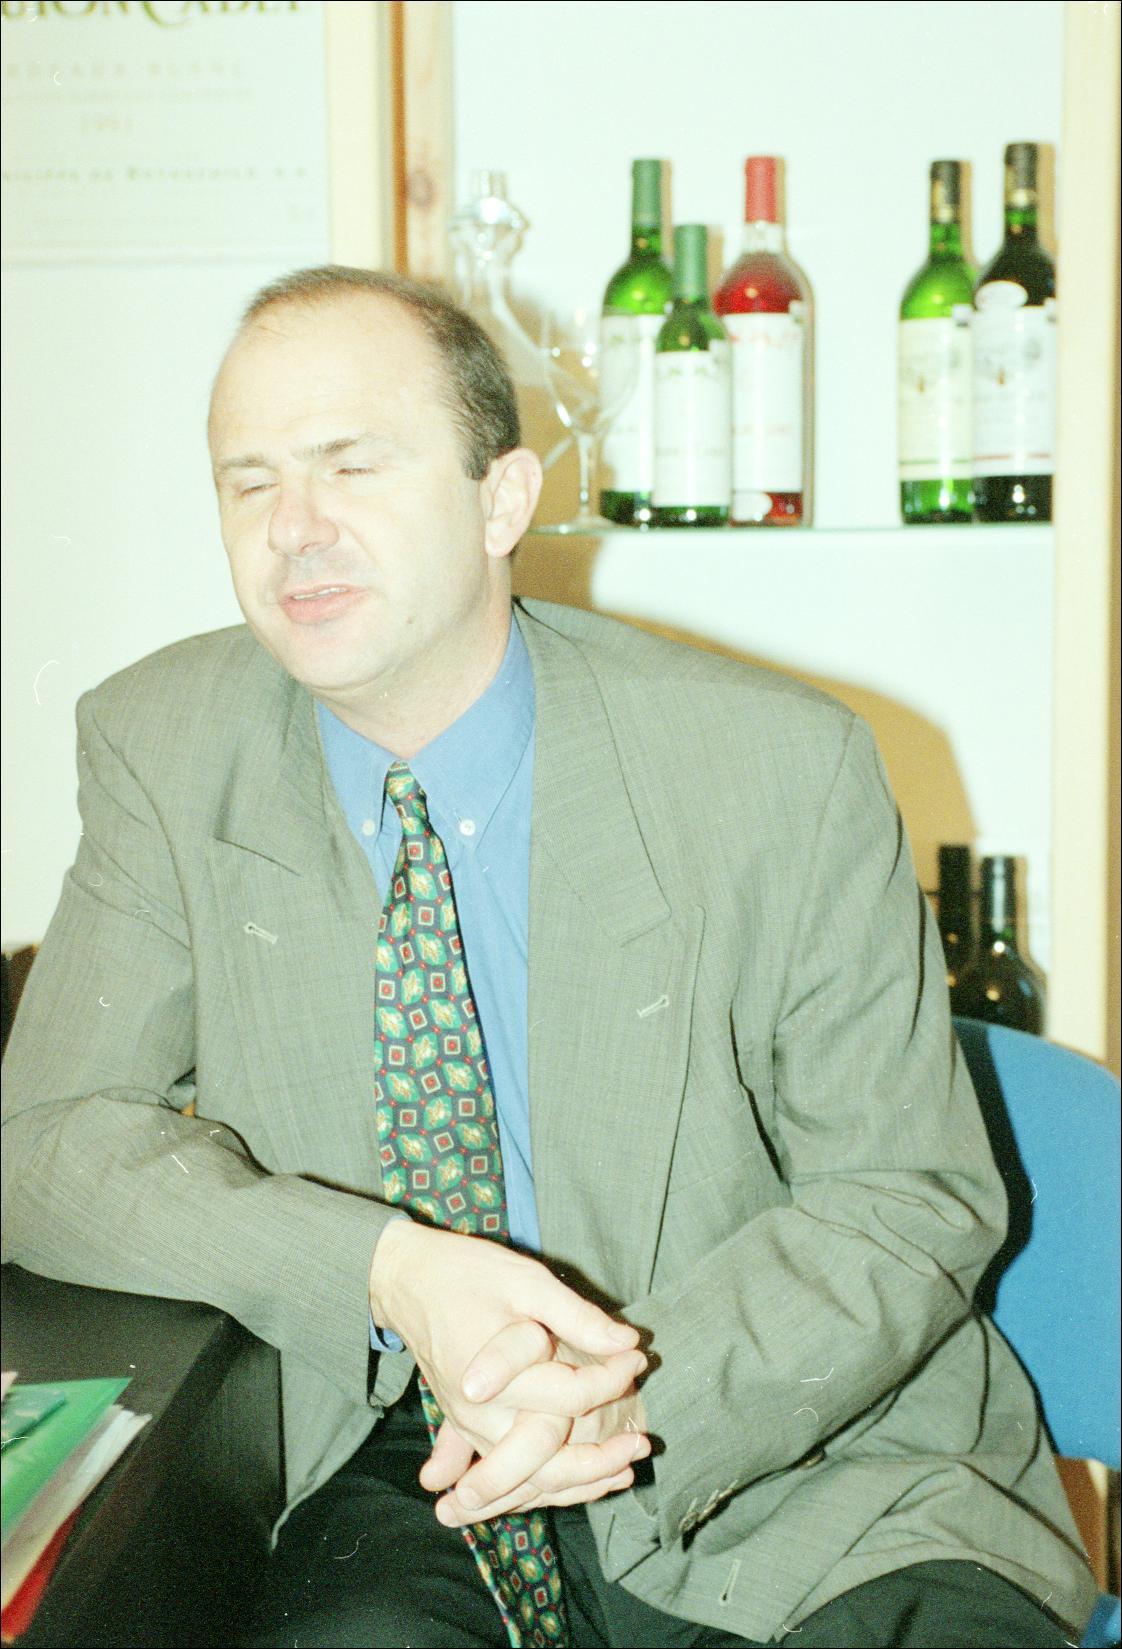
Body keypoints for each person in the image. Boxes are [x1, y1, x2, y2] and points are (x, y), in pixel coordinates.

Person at [0, 268, 1097, 1649]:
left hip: (807, 1461)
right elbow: (43, 1140)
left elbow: (907, 1195)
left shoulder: (774, 766)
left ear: (502, 501)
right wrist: (387, 1269)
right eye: (249, 482)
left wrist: (628, 1393)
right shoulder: (165, 745)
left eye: (353, 465)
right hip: (412, 1460)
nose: (294, 528)